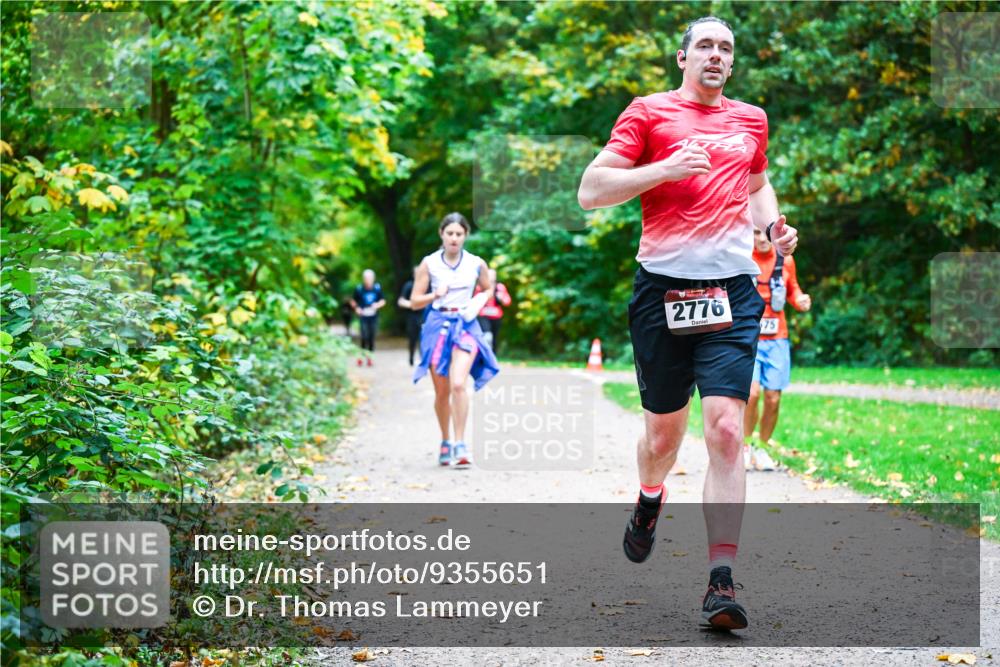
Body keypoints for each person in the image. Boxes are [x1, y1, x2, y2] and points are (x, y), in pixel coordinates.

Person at [576, 16, 799, 631]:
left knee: (728, 428)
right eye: (705, 45)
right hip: (662, 294)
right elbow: (591, 190)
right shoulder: (648, 114)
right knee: (661, 441)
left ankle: (720, 582)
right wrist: (665, 170)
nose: (717, 56)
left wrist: (774, 229)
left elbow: (758, 182)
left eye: (726, 48)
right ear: (682, 57)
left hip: (731, 293)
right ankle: (650, 499)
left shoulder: (750, 120)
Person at [410, 212, 500, 468]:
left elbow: (488, 288)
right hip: (437, 325)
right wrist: (434, 295)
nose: (454, 238)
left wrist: (478, 302)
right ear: (442, 234)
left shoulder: (476, 263)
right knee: (442, 391)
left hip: (465, 325)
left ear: (465, 236)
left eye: (459, 234)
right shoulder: (429, 264)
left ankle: (461, 444)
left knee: (459, 383)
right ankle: (446, 440)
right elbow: (415, 301)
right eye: (449, 233)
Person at [743, 226, 811, 471]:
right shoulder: (742, 257)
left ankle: (762, 448)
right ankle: (745, 446)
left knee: (773, 397)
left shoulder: (786, 260)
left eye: (765, 233)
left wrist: (800, 300)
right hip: (748, 337)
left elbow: (792, 289)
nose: (761, 238)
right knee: (751, 394)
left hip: (777, 337)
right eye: (755, 233)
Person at [349, 269, 386, 366]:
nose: (368, 280)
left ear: (373, 279)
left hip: (373, 315)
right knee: (364, 336)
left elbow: (383, 301)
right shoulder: (359, 289)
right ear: (364, 279)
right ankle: (361, 356)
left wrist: (377, 305)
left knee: (371, 336)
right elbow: (353, 301)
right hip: (363, 315)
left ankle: (370, 358)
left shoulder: (377, 288)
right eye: (366, 278)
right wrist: (357, 308)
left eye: (370, 278)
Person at [475, 268, 512, 355]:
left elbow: (507, 301)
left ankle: (492, 358)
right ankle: (484, 356)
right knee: (487, 337)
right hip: (483, 316)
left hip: (496, 317)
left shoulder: (500, 287)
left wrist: (502, 298)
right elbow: (475, 301)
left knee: (495, 339)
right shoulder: (480, 287)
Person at [397, 267, 427, 366]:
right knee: (412, 339)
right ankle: (411, 357)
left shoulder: (427, 285)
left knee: (424, 339)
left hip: (424, 316)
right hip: (412, 316)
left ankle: (423, 360)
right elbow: (401, 301)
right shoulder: (409, 285)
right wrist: (412, 304)